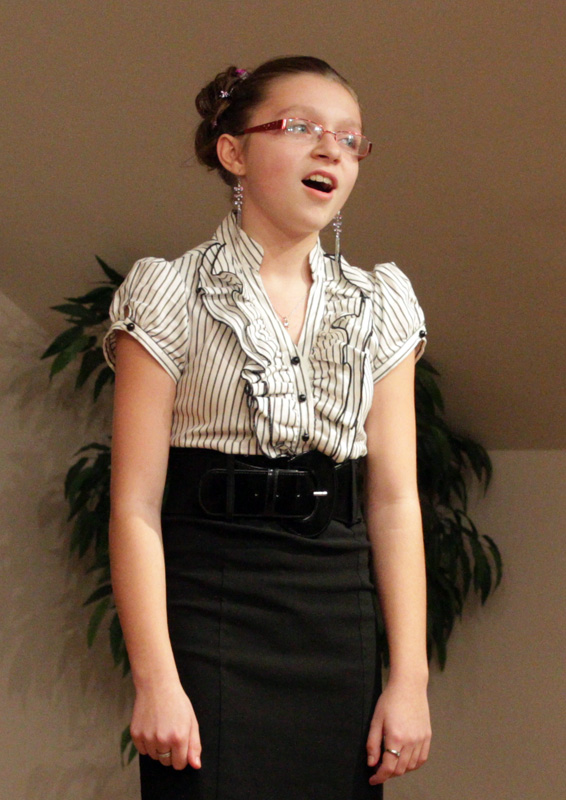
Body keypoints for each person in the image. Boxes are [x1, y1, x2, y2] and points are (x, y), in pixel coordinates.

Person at [103, 56, 431, 800]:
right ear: (234, 151)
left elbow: (394, 502)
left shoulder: (381, 304)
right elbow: (134, 506)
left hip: (335, 617)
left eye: (349, 139)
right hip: (212, 604)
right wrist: (156, 680)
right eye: (302, 128)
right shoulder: (169, 291)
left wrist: (409, 679)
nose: (331, 151)